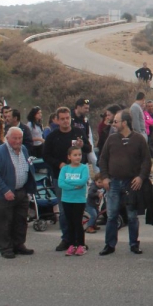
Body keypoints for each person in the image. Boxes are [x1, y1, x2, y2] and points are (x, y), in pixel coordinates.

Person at [97, 111, 152, 256]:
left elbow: (147, 161)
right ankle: (109, 245)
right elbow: (102, 159)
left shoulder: (139, 139)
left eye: (115, 121)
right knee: (111, 215)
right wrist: (105, 177)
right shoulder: (111, 139)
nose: (113, 124)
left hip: (131, 183)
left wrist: (141, 177)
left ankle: (134, 244)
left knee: (132, 216)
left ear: (125, 122)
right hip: (113, 182)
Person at [42, 107, 91, 252]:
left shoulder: (78, 133)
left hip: (78, 176)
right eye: (62, 119)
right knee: (64, 211)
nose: (65, 121)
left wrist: (83, 145)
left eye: (67, 118)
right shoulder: (52, 136)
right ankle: (66, 239)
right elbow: (45, 155)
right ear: (57, 120)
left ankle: (79, 240)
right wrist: (59, 164)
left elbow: (88, 148)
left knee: (77, 212)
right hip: (61, 177)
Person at [0, 127, 37, 259]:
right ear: (7, 138)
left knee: (21, 221)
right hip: (4, 194)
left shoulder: (24, 150)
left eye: (19, 138)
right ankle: (6, 248)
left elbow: (29, 167)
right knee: (4, 223)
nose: (17, 141)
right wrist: (5, 190)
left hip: (21, 191)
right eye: (14, 138)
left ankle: (19, 245)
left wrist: (29, 188)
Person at [58, 146, 91, 256]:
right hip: (66, 199)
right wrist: (73, 185)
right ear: (69, 157)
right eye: (75, 155)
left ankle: (81, 245)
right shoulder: (65, 169)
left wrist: (69, 183)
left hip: (79, 200)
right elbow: (61, 183)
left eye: (79, 155)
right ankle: (71, 245)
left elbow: (82, 181)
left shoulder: (84, 168)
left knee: (77, 223)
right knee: (69, 223)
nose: (78, 157)